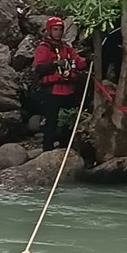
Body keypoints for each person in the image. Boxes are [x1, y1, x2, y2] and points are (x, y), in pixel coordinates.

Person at [32, 16, 87, 152]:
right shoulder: (44, 48)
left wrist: (89, 60)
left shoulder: (66, 48)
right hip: (53, 90)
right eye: (55, 29)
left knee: (70, 120)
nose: (58, 32)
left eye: (60, 29)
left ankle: (65, 148)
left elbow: (78, 62)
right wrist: (54, 64)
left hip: (68, 90)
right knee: (51, 122)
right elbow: (38, 68)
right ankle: (48, 151)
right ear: (50, 30)